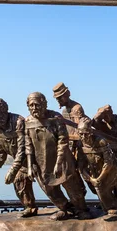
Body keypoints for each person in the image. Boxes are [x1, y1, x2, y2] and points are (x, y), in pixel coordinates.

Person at [25, 92, 91, 221]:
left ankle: (81, 209)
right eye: (31, 105)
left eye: (37, 105)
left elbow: (63, 140)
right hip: (41, 162)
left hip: (62, 160)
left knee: (72, 187)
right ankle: (65, 209)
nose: (34, 108)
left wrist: (59, 162)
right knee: (50, 191)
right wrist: (29, 165)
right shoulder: (28, 121)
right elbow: (28, 145)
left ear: (44, 104)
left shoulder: (55, 117)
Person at [0, 97, 37, 217]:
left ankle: (68, 208)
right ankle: (30, 207)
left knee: (48, 185)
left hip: (34, 158)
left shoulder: (18, 122)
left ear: (5, 112)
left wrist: (12, 170)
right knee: (19, 183)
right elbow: (0, 151)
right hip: (21, 164)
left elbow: (22, 148)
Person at [76, 120, 117, 216]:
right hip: (97, 172)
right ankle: (112, 207)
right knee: (102, 191)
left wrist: (99, 178)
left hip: (113, 170)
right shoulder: (79, 144)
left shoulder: (101, 141)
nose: (83, 137)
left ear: (90, 132)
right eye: (80, 134)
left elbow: (108, 162)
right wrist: (91, 179)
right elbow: (81, 166)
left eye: (86, 134)